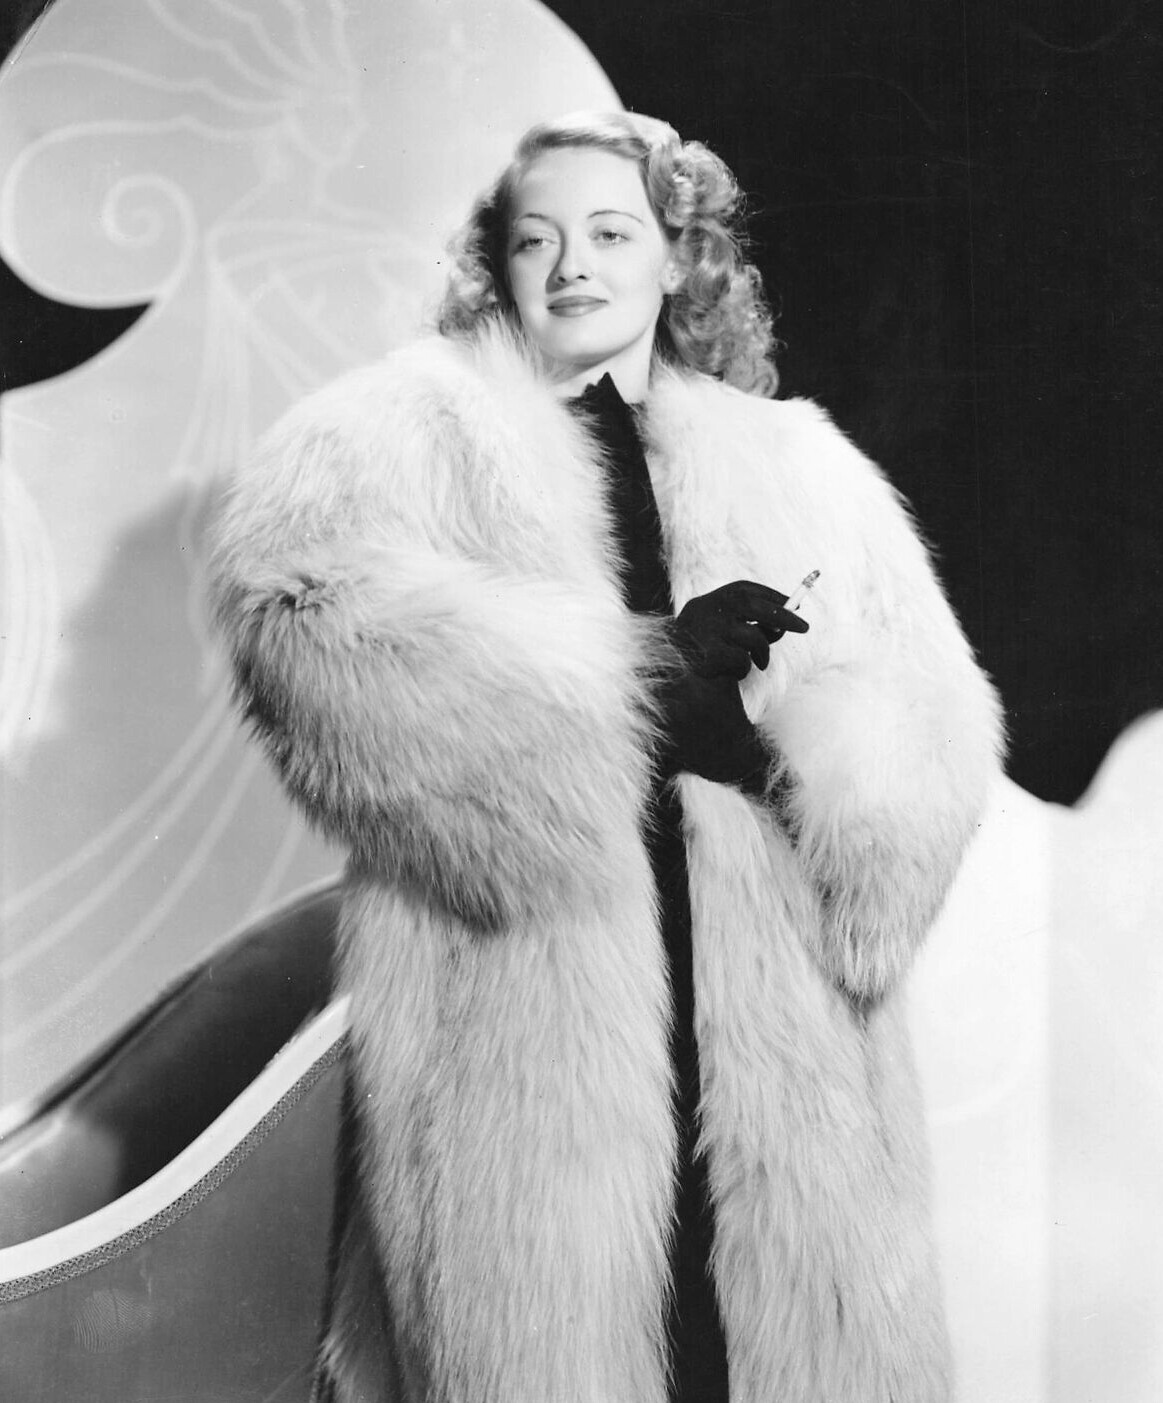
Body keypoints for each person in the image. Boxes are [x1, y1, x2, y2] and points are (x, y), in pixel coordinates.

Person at [207, 111, 1003, 1403]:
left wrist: (779, 757)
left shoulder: (801, 463)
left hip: (786, 1062)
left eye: (613, 232)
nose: (574, 263)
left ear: (680, 257)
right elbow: (301, 620)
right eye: (538, 238)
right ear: (498, 262)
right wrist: (632, 680)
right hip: (522, 1042)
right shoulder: (403, 433)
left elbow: (934, 737)